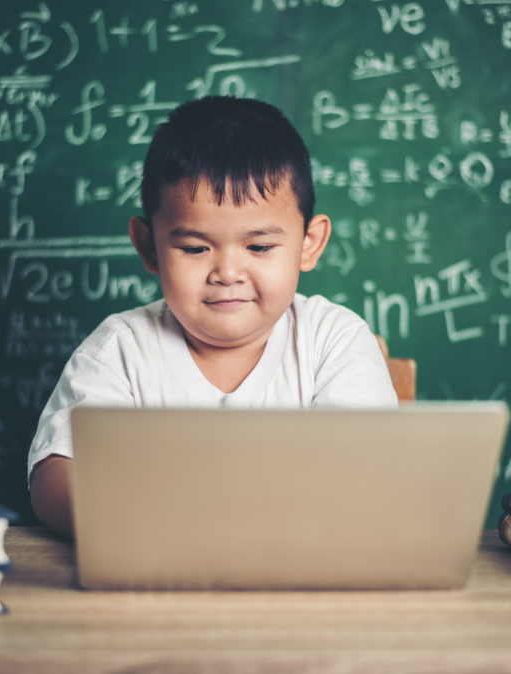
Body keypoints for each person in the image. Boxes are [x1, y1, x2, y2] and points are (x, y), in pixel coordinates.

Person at [28, 96, 397, 537]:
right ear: (149, 247)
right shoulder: (121, 349)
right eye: (195, 248)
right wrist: (152, 519)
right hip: (155, 577)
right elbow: (54, 478)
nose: (227, 273)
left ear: (308, 244)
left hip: (304, 582)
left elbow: (367, 474)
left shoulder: (333, 340)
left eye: (259, 247)